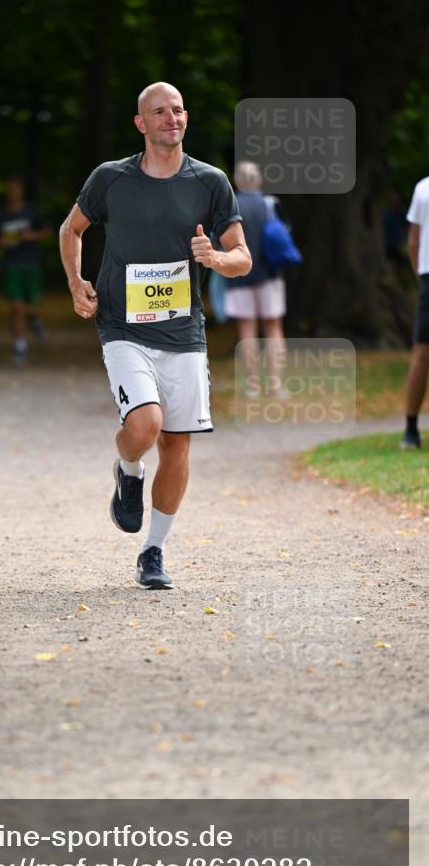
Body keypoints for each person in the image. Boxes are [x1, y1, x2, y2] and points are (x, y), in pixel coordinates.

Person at [59, 82, 251, 589]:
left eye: (179, 110)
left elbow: (242, 256)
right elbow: (71, 229)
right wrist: (77, 282)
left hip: (184, 332)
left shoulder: (210, 183)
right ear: (140, 123)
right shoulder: (111, 179)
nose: (172, 118)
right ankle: (127, 468)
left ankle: (153, 552)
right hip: (122, 326)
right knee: (144, 426)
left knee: (177, 445)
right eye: (160, 112)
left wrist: (216, 259)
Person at [224, 161, 288, 399]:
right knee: (273, 329)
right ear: (258, 180)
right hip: (270, 275)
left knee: (247, 331)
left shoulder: (231, 206)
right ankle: (276, 385)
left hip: (238, 277)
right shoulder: (271, 204)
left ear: (237, 181)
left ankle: (252, 386)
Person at [0, 176, 52, 361]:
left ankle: (35, 320)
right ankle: (20, 346)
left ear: (21, 191)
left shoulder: (32, 212)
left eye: (15, 188)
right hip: (12, 265)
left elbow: (48, 231)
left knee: (32, 307)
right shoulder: (2, 214)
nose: (12, 192)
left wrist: (31, 236)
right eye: (9, 188)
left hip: (31, 263)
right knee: (16, 308)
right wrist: (2, 242)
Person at [401, 175, 429, 449]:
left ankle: (411, 430)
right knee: (421, 354)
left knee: (421, 354)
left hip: (427, 277)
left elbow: (413, 241)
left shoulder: (423, 187)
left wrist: (419, 276)